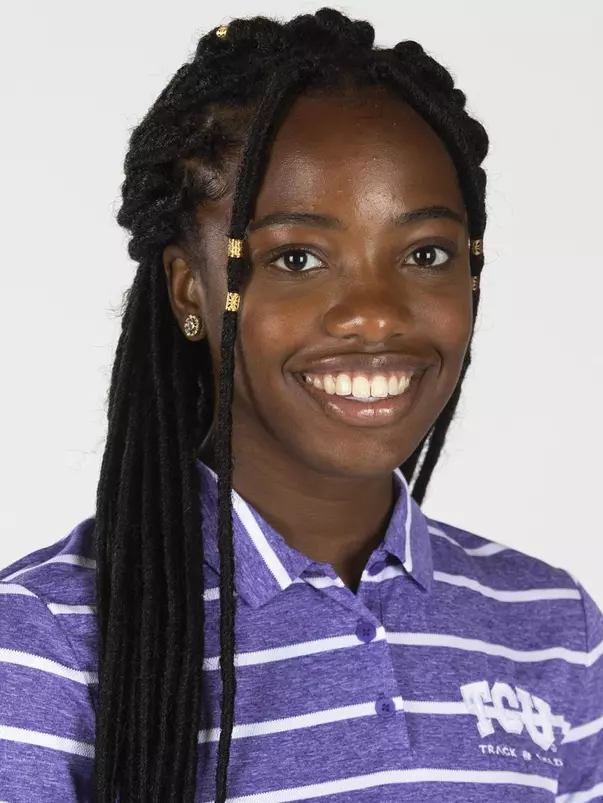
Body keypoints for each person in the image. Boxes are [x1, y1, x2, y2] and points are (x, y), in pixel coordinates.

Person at [0, 7, 601, 803]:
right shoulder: (46, 644)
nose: (376, 313)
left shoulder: (551, 626)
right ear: (190, 287)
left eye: (425, 254)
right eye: (297, 256)